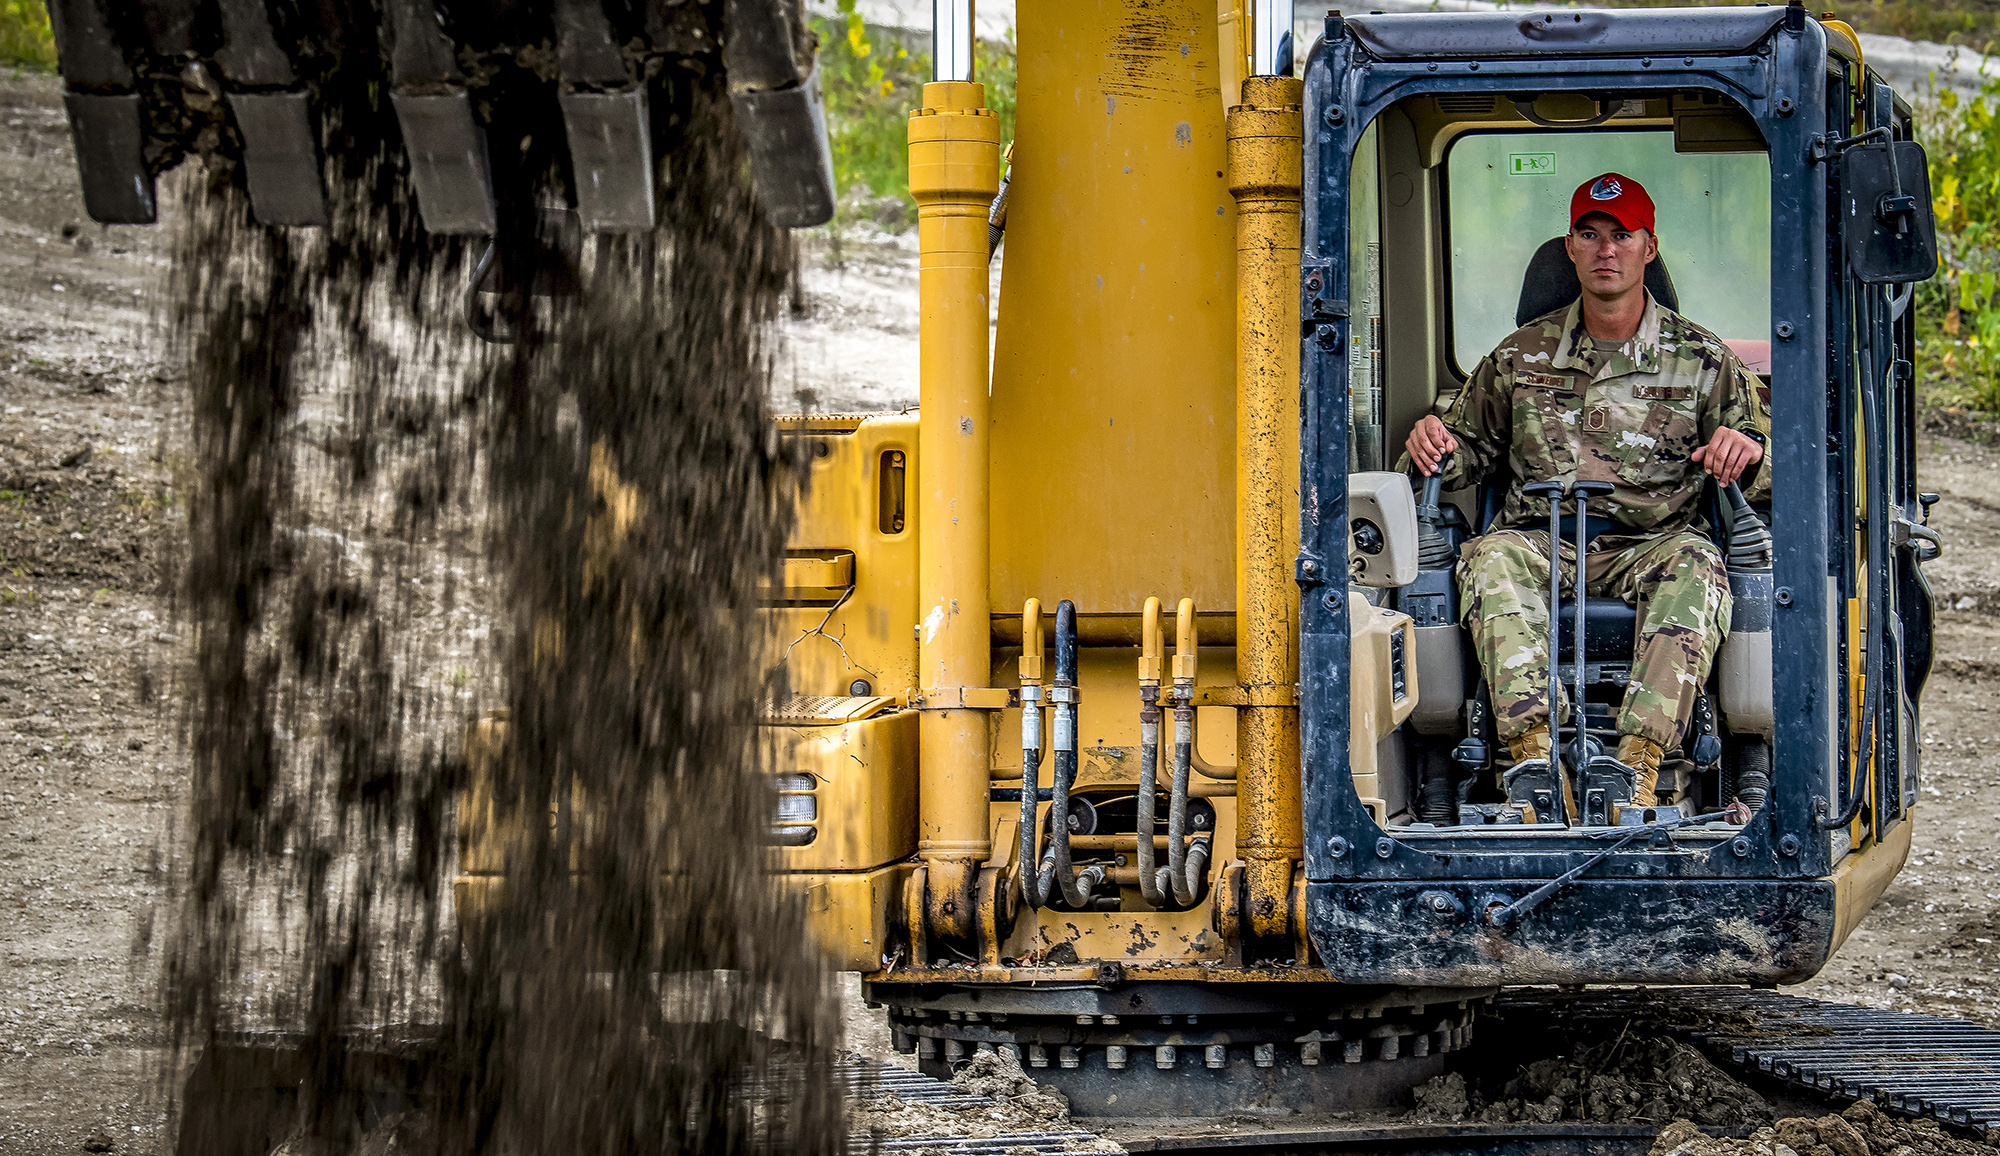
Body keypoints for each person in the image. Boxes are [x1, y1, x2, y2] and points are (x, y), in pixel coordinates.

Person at [1403, 171, 1770, 809]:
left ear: (1648, 248)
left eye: (1621, 235)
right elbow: (1465, 454)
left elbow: (1770, 474)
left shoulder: (1703, 361)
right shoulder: (1519, 358)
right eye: (1589, 234)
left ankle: (1636, 769)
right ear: (1569, 247)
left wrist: (1749, 453)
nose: (1606, 250)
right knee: (1488, 558)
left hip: (1653, 545)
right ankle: (1534, 766)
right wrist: (1434, 443)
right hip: (1541, 544)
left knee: (1700, 565)